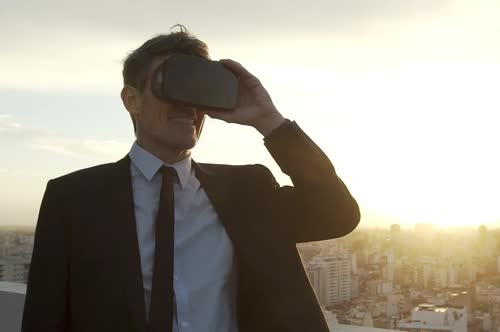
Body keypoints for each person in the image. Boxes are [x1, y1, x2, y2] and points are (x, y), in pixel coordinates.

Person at [21, 26, 360, 332]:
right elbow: (45, 316)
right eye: (172, 85)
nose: (188, 105)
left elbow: (337, 213)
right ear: (132, 100)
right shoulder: (74, 198)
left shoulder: (248, 190)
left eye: (197, 90)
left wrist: (269, 120)